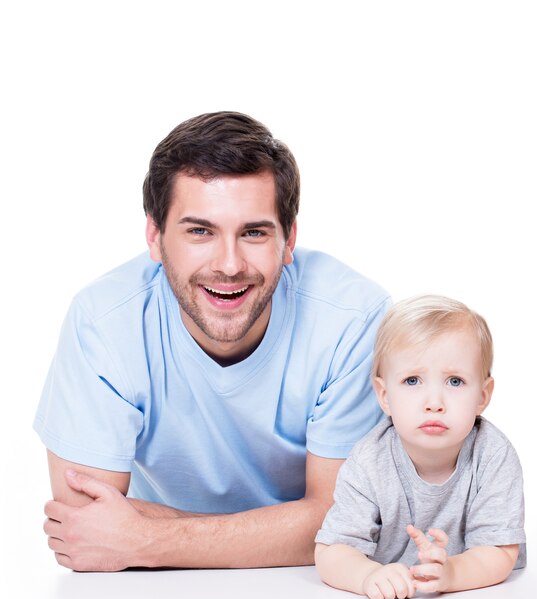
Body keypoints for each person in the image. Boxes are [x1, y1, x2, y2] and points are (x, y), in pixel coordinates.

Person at [35, 111, 390, 572]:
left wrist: (142, 539)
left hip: (316, 596)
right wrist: (281, 531)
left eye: (254, 232)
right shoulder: (103, 323)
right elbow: (82, 526)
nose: (228, 264)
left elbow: (345, 523)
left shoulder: (354, 320)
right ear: (155, 237)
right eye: (200, 231)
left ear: (289, 241)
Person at [314, 294, 526, 599]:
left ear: (482, 395)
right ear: (384, 395)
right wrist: (368, 576)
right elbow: (331, 552)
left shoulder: (492, 455)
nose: (434, 403)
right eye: (412, 381)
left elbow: (499, 550)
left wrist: (452, 572)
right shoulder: (368, 461)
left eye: (455, 382)